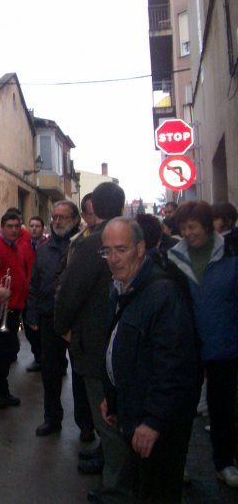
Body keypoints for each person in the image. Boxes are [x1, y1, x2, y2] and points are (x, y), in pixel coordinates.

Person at [100, 218, 200, 502]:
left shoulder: (162, 293)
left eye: (121, 249)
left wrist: (154, 422)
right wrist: (114, 396)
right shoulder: (122, 287)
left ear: (140, 248)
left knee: (158, 491)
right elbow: (120, 347)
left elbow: (175, 367)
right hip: (136, 411)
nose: (113, 259)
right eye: (107, 251)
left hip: (159, 424)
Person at [55, 182, 132, 503]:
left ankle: (116, 485)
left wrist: (61, 326)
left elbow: (70, 293)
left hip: (97, 342)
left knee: (106, 414)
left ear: (94, 208)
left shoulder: (93, 244)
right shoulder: (130, 236)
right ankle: (107, 462)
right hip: (119, 339)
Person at [168, 201, 238, 488]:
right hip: (189, 347)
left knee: (223, 409)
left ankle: (224, 463)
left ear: (208, 226)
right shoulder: (173, 258)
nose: (188, 233)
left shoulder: (231, 254)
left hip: (225, 343)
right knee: (181, 408)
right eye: (183, 227)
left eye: (193, 226)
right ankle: (177, 462)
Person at [25, 202, 94, 442]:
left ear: (76, 220)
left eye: (63, 217)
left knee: (80, 374)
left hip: (76, 323)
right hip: (48, 319)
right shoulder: (43, 249)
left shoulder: (84, 247)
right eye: (54, 216)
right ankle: (52, 418)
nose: (57, 221)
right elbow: (34, 283)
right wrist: (31, 314)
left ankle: (85, 425)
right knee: (50, 373)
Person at [0, 211, 29, 408]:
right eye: (9, 226)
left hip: (14, 307)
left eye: (17, 226)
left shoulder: (16, 246)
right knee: (2, 352)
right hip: (0, 309)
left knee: (8, 351)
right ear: (1, 227)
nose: (14, 230)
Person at [24, 215, 47, 372]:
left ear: (43, 229)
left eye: (37, 226)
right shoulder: (23, 246)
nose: (34, 228)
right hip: (28, 293)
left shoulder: (48, 245)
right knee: (29, 328)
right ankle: (38, 357)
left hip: (44, 293)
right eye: (31, 225)